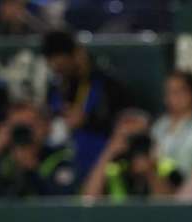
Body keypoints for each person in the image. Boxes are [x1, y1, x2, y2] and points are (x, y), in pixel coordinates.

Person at [41, 29, 131, 180]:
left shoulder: (107, 86)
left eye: (63, 65)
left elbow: (122, 124)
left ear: (77, 55)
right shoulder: (56, 88)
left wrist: (87, 120)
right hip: (60, 161)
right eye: (55, 67)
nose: (59, 71)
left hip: (100, 161)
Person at [0, 101, 77, 198]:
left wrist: (32, 171)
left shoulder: (59, 159)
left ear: (45, 127)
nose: (23, 133)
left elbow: (62, 205)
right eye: (17, 127)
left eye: (29, 126)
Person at [82, 109, 182, 202]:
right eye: (128, 138)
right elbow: (88, 200)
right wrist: (108, 153)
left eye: (138, 137)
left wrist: (150, 171)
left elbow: (172, 206)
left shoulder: (165, 167)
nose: (133, 144)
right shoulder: (109, 167)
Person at [151, 70, 192, 176]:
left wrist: (152, 165)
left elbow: (183, 171)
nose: (174, 95)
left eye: (180, 90)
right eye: (169, 91)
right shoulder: (160, 124)